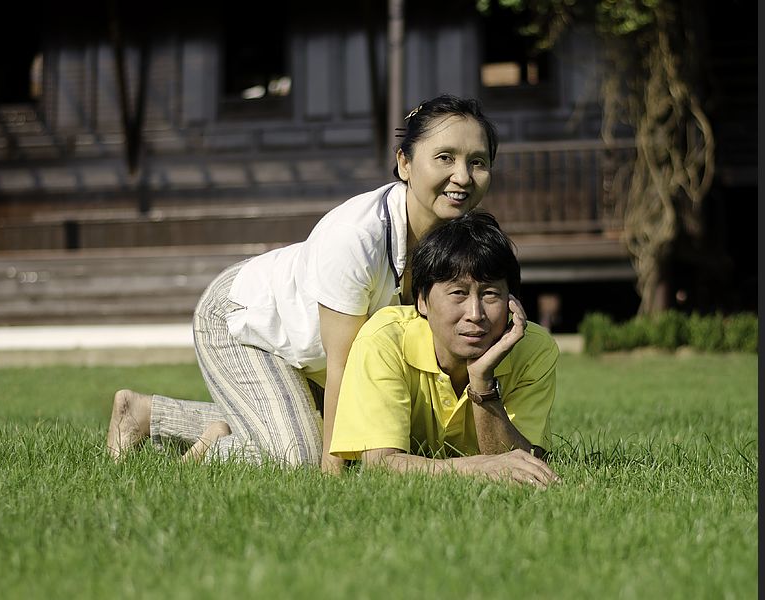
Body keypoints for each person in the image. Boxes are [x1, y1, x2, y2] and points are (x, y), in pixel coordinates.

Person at [106, 94, 499, 473]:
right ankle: (174, 428)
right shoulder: (357, 235)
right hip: (248, 320)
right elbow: (342, 363)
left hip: (313, 353)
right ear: (405, 163)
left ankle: (159, 414)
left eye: (477, 162)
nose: (462, 176)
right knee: (299, 458)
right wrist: (332, 479)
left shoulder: (458, 241)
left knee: (384, 442)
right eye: (445, 157)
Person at [329, 212, 561, 487]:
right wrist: (475, 467)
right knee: (297, 454)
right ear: (422, 301)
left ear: (512, 301)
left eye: (490, 294)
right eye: (458, 293)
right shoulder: (384, 340)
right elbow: (380, 465)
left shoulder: (534, 349)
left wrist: (482, 382)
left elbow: (525, 464)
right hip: (291, 358)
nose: (475, 314)